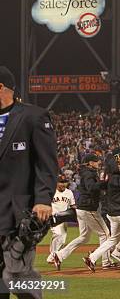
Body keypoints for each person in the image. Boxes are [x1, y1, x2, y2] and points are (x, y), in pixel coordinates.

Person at [0, 66, 58, 299]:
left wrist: (43, 199)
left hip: (17, 214)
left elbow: (47, 164)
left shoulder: (33, 116)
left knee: (21, 277)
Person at [53, 154, 116, 270]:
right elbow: (91, 187)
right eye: (96, 161)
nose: (98, 163)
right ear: (90, 163)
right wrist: (105, 183)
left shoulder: (86, 172)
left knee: (84, 237)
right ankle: (104, 261)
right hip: (88, 208)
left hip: (82, 208)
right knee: (105, 234)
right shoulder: (88, 173)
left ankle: (59, 255)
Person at [46, 176, 75, 265]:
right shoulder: (51, 191)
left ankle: (52, 257)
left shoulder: (69, 192)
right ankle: (53, 256)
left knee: (62, 240)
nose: (63, 184)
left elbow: (72, 205)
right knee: (58, 234)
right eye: (61, 182)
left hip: (63, 218)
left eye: (64, 182)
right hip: (53, 218)